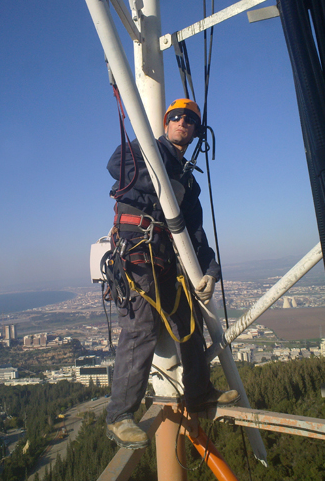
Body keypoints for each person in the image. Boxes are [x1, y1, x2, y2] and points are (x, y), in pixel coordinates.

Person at [105, 99, 239, 450]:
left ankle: (199, 394)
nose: (183, 123)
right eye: (176, 117)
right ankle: (120, 415)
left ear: (195, 132)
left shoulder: (189, 183)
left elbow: (195, 233)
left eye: (190, 120)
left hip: (166, 257)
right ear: (167, 123)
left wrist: (211, 270)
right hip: (136, 250)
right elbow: (116, 164)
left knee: (188, 322)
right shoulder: (145, 151)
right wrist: (165, 189)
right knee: (142, 326)